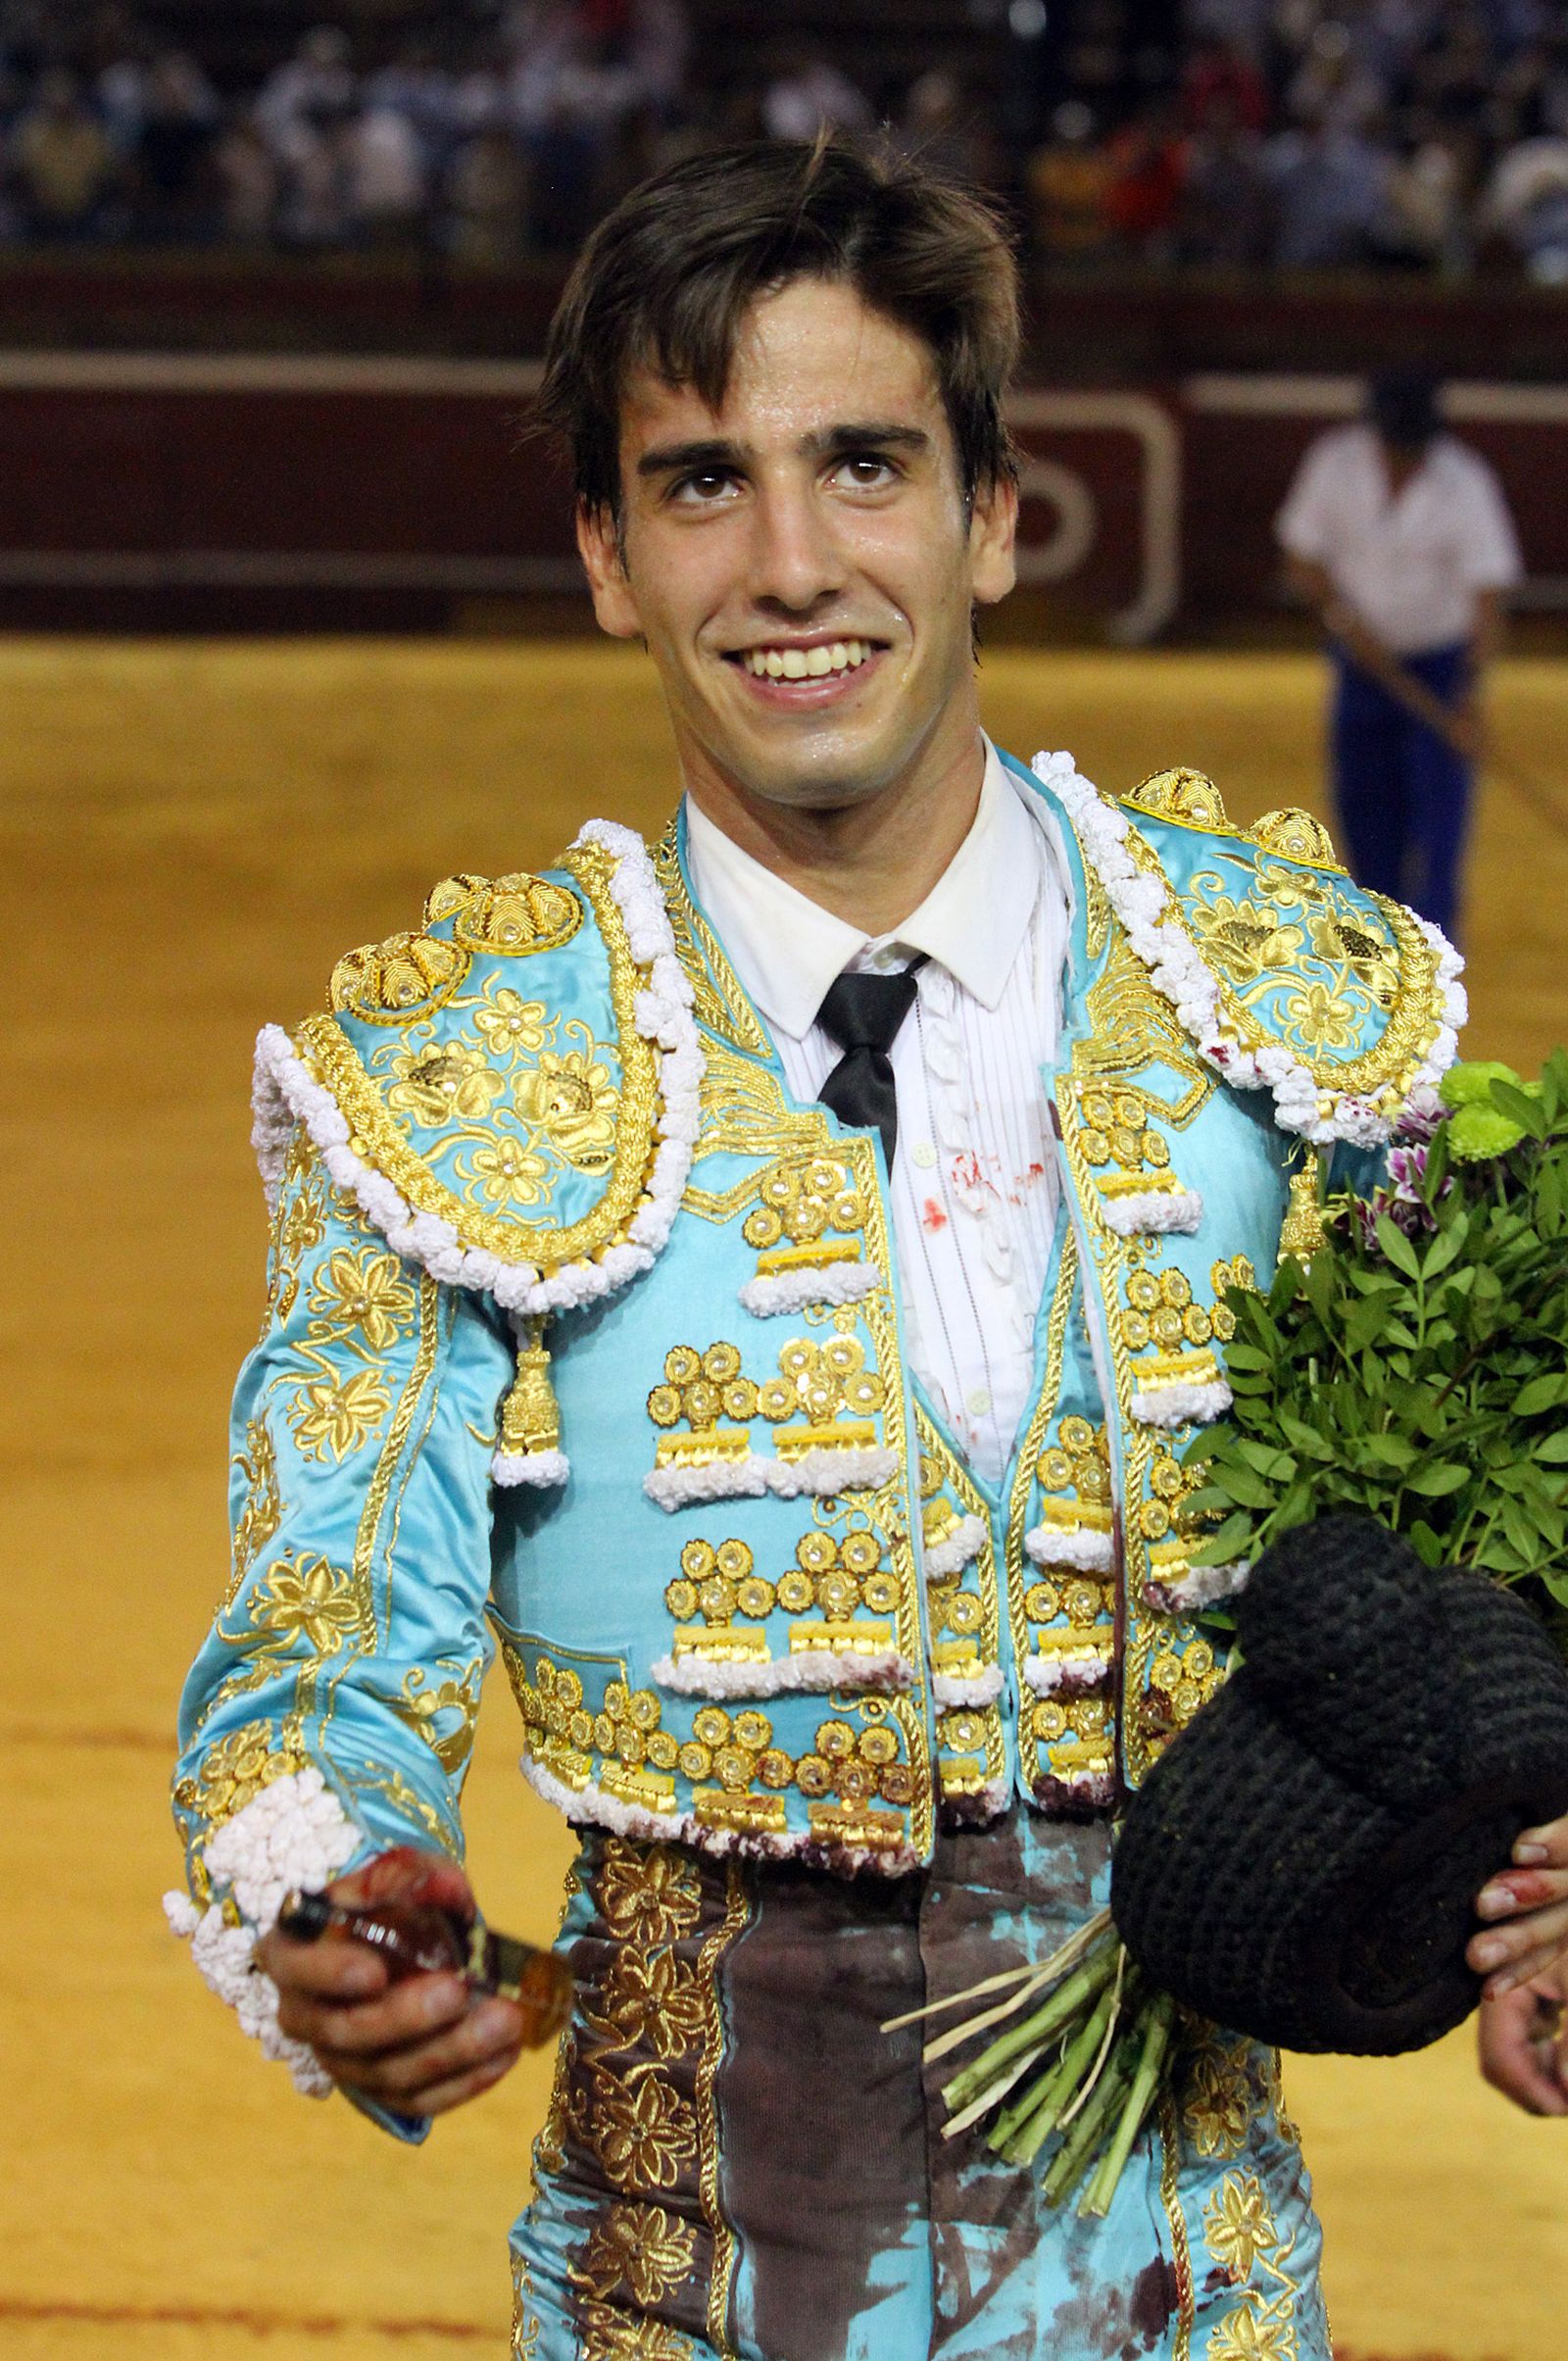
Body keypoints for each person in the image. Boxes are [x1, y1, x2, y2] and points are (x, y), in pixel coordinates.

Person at [168, 140, 1568, 2361]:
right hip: (676, 2296)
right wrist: (334, 1892)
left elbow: (1501, 1573)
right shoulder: (455, 1089)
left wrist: (1539, 1855)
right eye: (702, 484)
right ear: (607, 556)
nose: (792, 564)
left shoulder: (1291, 1012)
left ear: (993, 512)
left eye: (863, 463)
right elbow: (316, 1654)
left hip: (1202, 2297)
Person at [1276, 369, 1523, 942]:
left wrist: (1468, 691)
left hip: (1441, 668)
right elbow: (1301, 559)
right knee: (1364, 810)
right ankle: (1379, 941)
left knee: (1438, 826)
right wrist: (1342, 620)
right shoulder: (1335, 465)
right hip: (1359, 669)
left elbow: (1488, 598)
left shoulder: (1465, 483)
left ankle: (1433, 952)